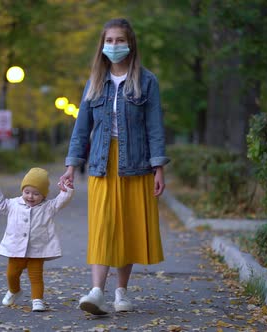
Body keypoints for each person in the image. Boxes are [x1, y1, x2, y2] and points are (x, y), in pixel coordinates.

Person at [58, 18, 170, 315]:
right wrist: (71, 166)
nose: (115, 45)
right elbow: (82, 128)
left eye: (120, 40)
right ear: (102, 45)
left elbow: (155, 127)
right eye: (110, 40)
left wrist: (159, 167)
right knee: (103, 225)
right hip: (101, 163)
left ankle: (121, 293)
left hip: (137, 163)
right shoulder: (95, 82)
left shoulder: (147, 81)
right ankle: (97, 292)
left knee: (129, 228)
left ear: (130, 43)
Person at [0, 167, 74, 312]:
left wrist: (67, 190)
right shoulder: (13, 204)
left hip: (38, 249)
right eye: (27, 192)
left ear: (44, 195)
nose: (30, 197)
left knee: (36, 276)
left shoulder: (48, 206)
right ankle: (15, 291)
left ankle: (37, 300)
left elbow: (61, 201)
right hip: (16, 249)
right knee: (11, 274)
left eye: (36, 194)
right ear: (22, 191)